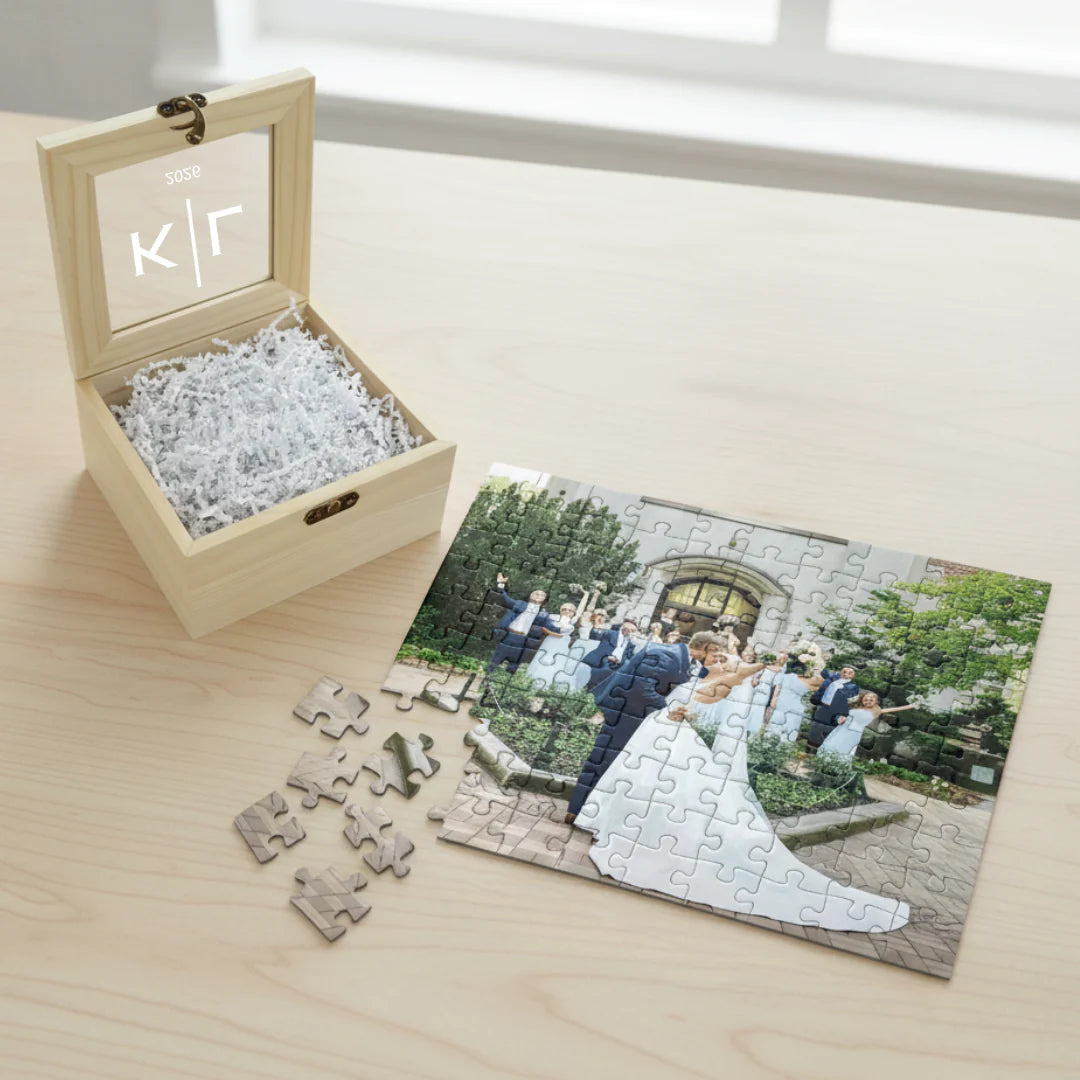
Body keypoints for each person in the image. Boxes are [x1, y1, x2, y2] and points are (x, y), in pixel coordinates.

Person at [573, 673, 910, 932]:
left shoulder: (725, 684)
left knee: (668, 789)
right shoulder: (706, 677)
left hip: (674, 732)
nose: (720, 660)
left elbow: (712, 697)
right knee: (646, 782)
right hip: (663, 731)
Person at [564, 631, 722, 822]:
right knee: (604, 760)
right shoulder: (666, 655)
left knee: (613, 763)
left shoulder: (684, 660)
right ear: (704, 647)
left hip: (638, 715)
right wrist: (668, 708)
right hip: (626, 712)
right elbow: (641, 687)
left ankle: (588, 811)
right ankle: (576, 810)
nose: (716, 659)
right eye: (715, 654)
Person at [485, 572, 563, 674]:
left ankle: (504, 684)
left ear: (544, 599)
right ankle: (486, 680)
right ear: (531, 595)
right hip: (508, 635)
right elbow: (504, 598)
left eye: (542, 595)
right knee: (495, 660)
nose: (539, 595)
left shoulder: (544, 614)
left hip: (523, 640)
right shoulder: (519, 604)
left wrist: (564, 623)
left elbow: (551, 627)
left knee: (513, 665)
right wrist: (501, 584)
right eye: (536, 593)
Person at [818, 692, 916, 759]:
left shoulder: (877, 711)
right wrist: (841, 718)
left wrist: (912, 705)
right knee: (830, 746)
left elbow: (896, 709)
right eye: (866, 699)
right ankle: (822, 761)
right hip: (841, 729)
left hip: (854, 732)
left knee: (842, 750)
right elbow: (844, 712)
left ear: (876, 702)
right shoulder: (856, 707)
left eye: (871, 700)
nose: (868, 702)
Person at [764, 657, 824, 742]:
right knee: (777, 734)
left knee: (781, 735)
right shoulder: (794, 677)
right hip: (785, 709)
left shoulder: (812, 681)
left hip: (791, 711)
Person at [525, 602, 580, 689]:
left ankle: (548, 682)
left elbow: (581, 608)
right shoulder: (553, 617)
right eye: (564, 609)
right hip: (550, 641)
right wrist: (554, 634)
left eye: (570, 610)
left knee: (557, 662)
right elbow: (544, 627)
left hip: (563, 645)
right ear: (560, 610)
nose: (567, 611)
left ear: (574, 613)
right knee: (543, 657)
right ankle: (533, 678)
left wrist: (587, 594)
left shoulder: (572, 622)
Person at [807, 664, 859, 749]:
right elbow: (823, 672)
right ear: (840, 672)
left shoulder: (852, 686)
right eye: (844, 671)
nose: (846, 674)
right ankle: (810, 750)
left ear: (853, 675)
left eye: (850, 672)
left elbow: (846, 692)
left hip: (835, 713)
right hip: (822, 709)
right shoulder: (830, 679)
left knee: (829, 735)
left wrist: (835, 678)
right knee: (815, 731)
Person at [583, 618, 640, 691]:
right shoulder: (611, 634)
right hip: (601, 662)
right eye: (627, 629)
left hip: (616, 667)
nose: (629, 632)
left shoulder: (632, 644)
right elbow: (594, 634)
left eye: (632, 631)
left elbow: (630, 659)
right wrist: (596, 624)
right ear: (622, 627)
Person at [745, 651, 788, 736]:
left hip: (765, 690)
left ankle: (753, 729)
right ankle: (746, 726)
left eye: (781, 657)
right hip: (758, 687)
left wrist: (766, 666)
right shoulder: (767, 666)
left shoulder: (780, 670)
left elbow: (777, 674)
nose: (778, 658)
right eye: (779, 655)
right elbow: (756, 679)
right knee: (750, 706)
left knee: (758, 709)